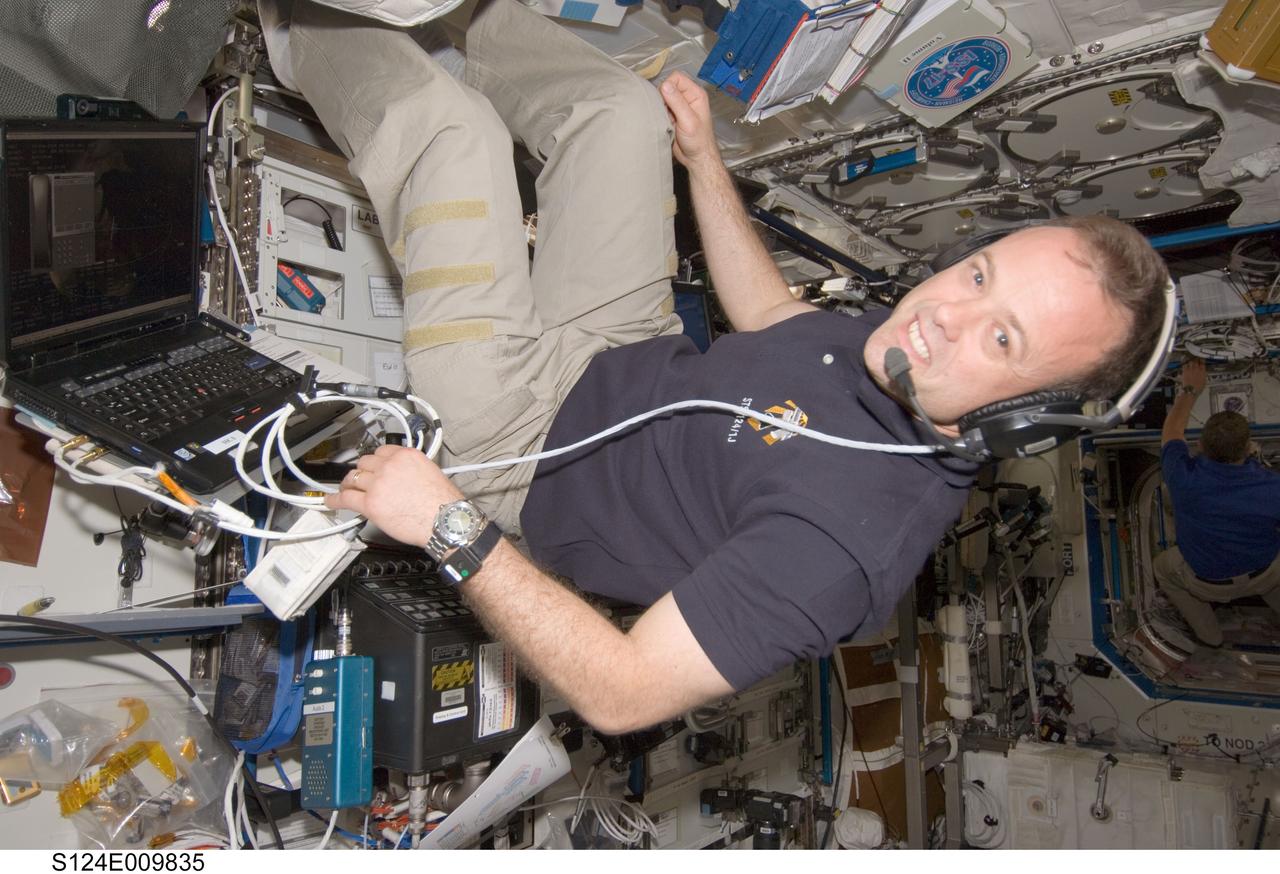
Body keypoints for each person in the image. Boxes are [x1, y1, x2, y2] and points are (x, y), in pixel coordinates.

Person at [286, 0, 1170, 731]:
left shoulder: (845, 551)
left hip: (527, 445)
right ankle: (422, 14)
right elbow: (774, 317)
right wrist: (705, 163)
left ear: (1028, 417)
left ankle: (298, 29)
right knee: (617, 113)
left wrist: (449, 525)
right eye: (979, 273)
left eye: (1003, 338)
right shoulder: (903, 348)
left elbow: (624, 692)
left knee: (453, 135)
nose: (945, 312)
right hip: (626, 346)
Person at [1153, 358, 1280, 647]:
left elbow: (1171, 432)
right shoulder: (1274, 486)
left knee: (1163, 568)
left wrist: (1189, 389)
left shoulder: (1181, 476)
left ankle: (1211, 638)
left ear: (1200, 447)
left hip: (1207, 584)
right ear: (1249, 449)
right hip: (1265, 574)